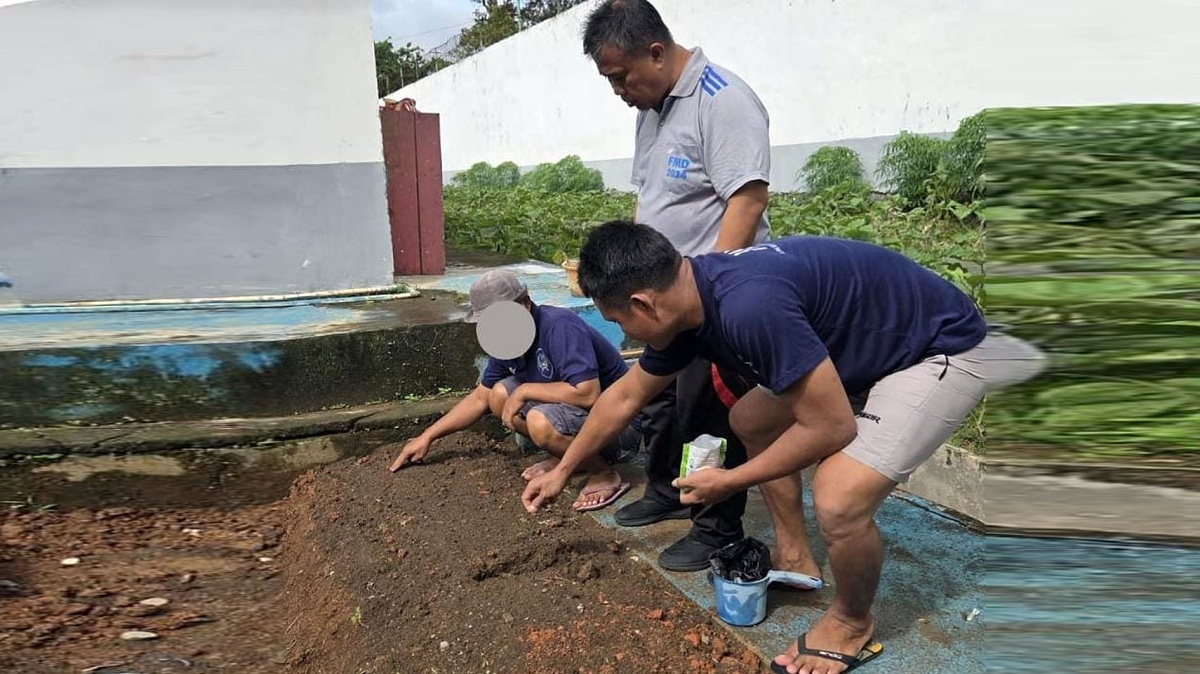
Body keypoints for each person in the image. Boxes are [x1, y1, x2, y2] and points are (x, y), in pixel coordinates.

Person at [523, 222, 1045, 673]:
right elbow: (626, 395)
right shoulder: (687, 300)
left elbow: (830, 429)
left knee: (839, 498)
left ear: (643, 302)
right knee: (751, 416)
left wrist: (729, 480)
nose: (619, 333)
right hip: (867, 346)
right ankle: (796, 555)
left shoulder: (749, 306)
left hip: (937, 348)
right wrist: (563, 467)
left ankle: (851, 621)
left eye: (617, 322)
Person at [581, 0, 778, 572]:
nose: (617, 89)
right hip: (658, 296)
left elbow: (747, 199)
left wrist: (709, 294)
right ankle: (667, 489)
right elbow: (651, 199)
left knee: (706, 409)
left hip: (702, 297)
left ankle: (715, 525)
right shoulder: (651, 107)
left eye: (620, 76)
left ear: (657, 52)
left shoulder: (724, 100)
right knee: (661, 402)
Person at [388, 269, 640, 512]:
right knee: (498, 395)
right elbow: (480, 397)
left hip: (618, 427)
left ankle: (602, 472)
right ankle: (569, 457)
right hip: (578, 418)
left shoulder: (559, 326)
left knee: (538, 420)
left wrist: (525, 391)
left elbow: (587, 394)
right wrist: (427, 436)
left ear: (526, 303)